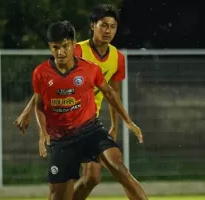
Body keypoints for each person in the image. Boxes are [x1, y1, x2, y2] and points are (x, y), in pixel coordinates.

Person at [14, 4, 130, 199]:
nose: (108, 30)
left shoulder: (117, 57)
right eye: (104, 25)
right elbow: (48, 85)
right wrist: (27, 112)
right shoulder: (75, 50)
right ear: (93, 26)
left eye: (112, 26)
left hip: (91, 122)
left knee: (93, 178)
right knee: (79, 178)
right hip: (68, 123)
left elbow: (113, 93)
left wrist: (115, 126)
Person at [33, 20, 148, 200]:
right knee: (58, 195)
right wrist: (42, 132)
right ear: (50, 46)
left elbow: (110, 94)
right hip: (62, 139)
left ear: (73, 44)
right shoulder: (41, 73)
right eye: (56, 47)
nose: (61, 52)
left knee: (119, 168)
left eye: (65, 46)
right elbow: (39, 105)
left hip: (90, 130)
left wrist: (128, 121)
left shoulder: (89, 69)